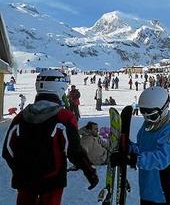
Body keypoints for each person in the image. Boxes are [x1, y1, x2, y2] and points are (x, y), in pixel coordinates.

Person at [2, 70, 98, 205]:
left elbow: (7, 150)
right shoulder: (64, 117)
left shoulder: (21, 116)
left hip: (25, 180)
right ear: (60, 88)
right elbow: (74, 151)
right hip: (52, 180)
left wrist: (20, 169)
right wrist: (89, 172)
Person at [110, 87, 170, 204]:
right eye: (144, 114)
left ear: (164, 109)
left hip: (160, 190)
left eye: (152, 116)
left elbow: (162, 158)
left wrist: (133, 159)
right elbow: (142, 148)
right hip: (147, 186)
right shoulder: (149, 124)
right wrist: (128, 147)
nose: (147, 118)